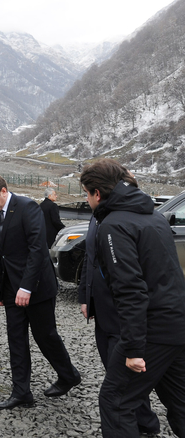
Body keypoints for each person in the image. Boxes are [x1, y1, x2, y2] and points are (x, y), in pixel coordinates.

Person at [80, 159, 185, 437]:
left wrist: (133, 349)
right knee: (180, 402)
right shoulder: (154, 216)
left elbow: (131, 290)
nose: (87, 200)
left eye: (86, 194)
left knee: (116, 402)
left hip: (152, 330)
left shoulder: (114, 225)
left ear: (97, 194)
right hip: (177, 324)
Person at [0, 172, 81, 410]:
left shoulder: (27, 207)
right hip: (11, 288)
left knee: (45, 336)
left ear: (3, 190)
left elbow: (37, 249)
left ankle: (69, 375)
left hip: (37, 287)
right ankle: (21, 392)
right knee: (16, 339)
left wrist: (26, 287)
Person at [78, 213, 160, 435]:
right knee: (115, 372)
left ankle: (143, 423)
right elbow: (90, 256)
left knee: (123, 381)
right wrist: (85, 296)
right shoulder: (97, 216)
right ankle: (144, 422)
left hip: (123, 313)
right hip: (102, 311)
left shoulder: (126, 219)